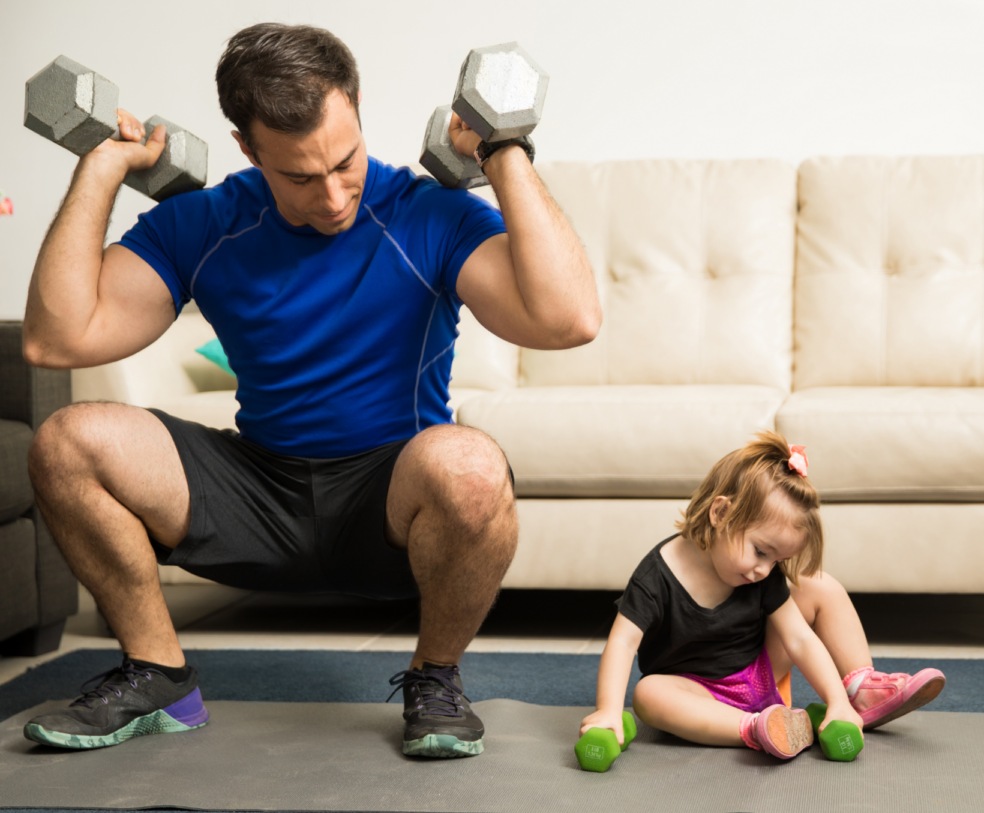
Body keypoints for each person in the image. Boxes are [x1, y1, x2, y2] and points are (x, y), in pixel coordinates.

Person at [20, 23, 601, 758]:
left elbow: (569, 319)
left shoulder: (427, 214)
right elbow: (56, 339)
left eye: (345, 161)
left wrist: (502, 149)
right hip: (256, 489)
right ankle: (158, 672)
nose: (332, 196)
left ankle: (436, 677)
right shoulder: (208, 223)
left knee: (473, 465)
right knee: (67, 441)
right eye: (299, 176)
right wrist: (103, 168)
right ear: (247, 149)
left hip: (387, 497)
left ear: (358, 113)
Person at [579, 432, 944, 759]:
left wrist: (834, 700)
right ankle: (758, 728)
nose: (765, 571)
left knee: (819, 586)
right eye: (760, 551)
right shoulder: (654, 577)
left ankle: (858, 691)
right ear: (720, 512)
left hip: (760, 671)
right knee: (648, 695)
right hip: (698, 694)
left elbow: (799, 638)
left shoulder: (759, 573)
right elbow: (623, 644)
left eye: (777, 560)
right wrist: (609, 709)